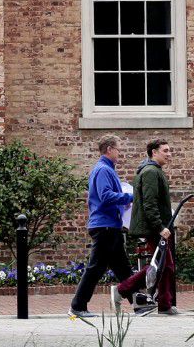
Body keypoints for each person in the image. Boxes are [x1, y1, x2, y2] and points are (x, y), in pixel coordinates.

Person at [68, 134, 134, 318]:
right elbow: (105, 196)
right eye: (119, 149)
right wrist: (129, 197)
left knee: (122, 268)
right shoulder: (103, 170)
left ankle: (139, 303)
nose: (120, 153)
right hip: (105, 226)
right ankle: (77, 306)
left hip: (108, 225)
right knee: (96, 268)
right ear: (109, 149)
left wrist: (122, 201)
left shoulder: (106, 169)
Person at [115, 138, 179, 315]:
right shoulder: (151, 172)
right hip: (155, 229)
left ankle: (164, 305)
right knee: (161, 265)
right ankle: (122, 289)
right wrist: (160, 227)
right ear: (154, 152)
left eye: (169, 150)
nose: (169, 154)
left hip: (157, 227)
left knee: (163, 265)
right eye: (165, 151)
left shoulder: (154, 170)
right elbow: (149, 204)